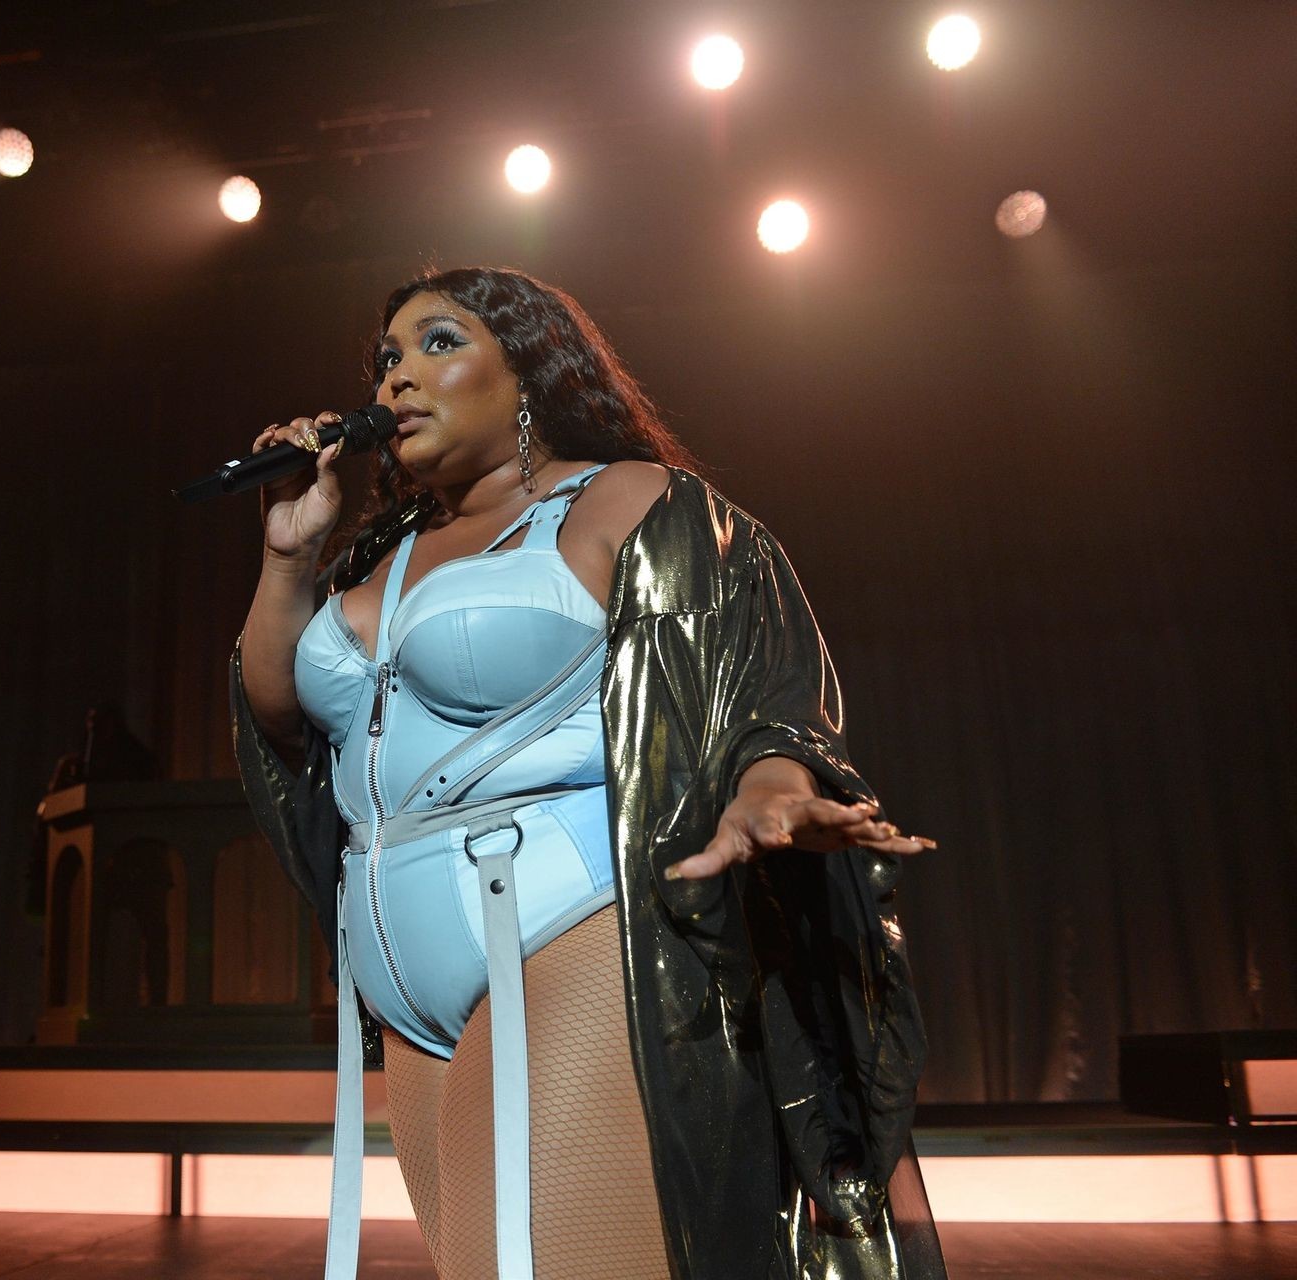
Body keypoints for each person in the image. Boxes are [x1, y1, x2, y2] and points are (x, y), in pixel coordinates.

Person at [229, 267, 947, 1279]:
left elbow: (751, 676)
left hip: (567, 924)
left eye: (439, 343)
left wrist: (772, 789)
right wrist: (287, 558)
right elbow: (281, 716)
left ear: (529, 370)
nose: (397, 377)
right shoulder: (377, 556)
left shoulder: (624, 499)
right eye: (388, 358)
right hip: (404, 985)